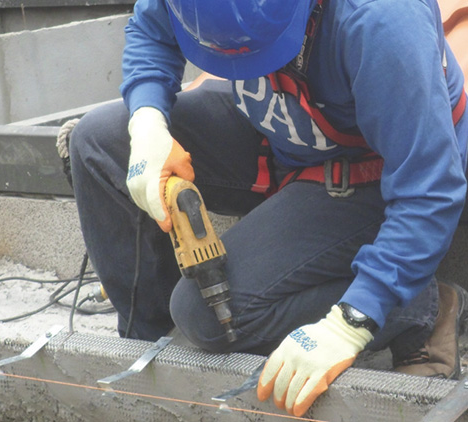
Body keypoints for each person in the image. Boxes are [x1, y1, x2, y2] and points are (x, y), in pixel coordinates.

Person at [68, 0, 468, 417]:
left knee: (204, 316)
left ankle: (421, 306)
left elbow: (431, 189)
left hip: (369, 168)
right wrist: (148, 121)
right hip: (283, 126)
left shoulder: (382, 20)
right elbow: (152, 29)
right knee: (97, 141)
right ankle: (153, 357)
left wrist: (352, 323)